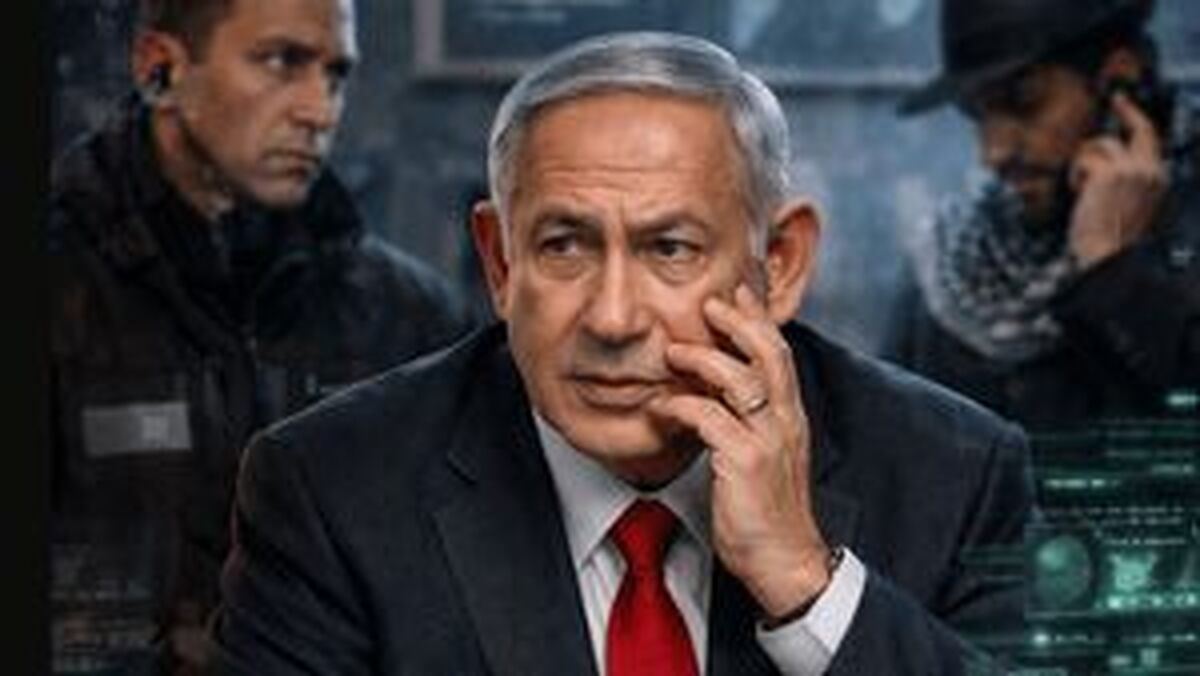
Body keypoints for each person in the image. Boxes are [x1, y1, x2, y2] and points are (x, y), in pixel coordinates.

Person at [213, 31, 1034, 674]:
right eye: (564, 245)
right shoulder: (331, 489)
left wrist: (803, 582)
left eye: (670, 248)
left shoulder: (952, 473)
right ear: (500, 263)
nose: (612, 318)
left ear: (779, 265)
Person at [48, 0, 475, 672]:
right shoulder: (57, 294)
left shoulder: (413, 317)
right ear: (160, 68)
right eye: (282, 61)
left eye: (335, 75)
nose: (320, 111)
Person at [885, 0, 1200, 430]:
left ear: (1119, 81)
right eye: (977, 114)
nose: (993, 152)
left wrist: (1114, 270)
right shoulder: (953, 264)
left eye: (1023, 103)